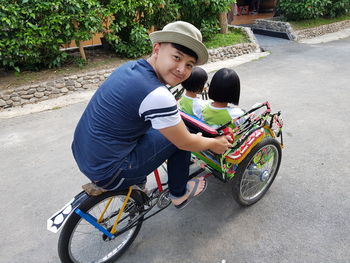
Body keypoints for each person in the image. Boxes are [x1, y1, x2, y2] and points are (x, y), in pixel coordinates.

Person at [71, 21, 233, 209]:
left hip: (84, 154)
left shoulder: (129, 68)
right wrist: (215, 143)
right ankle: (179, 194)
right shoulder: (157, 95)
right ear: (157, 48)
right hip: (109, 172)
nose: (182, 69)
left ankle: (136, 182)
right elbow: (185, 142)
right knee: (183, 135)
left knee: (169, 130)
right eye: (176, 57)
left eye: (189, 64)